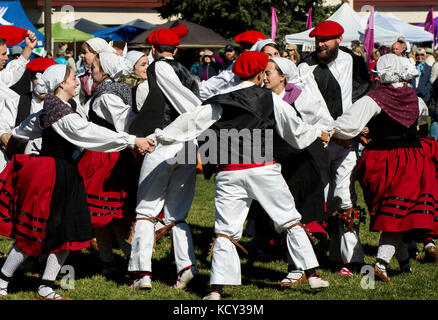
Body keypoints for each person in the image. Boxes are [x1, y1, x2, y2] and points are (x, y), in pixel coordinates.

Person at [148, 51, 331, 300]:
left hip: (229, 173)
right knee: (289, 219)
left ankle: (216, 290)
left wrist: (160, 137)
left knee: (225, 230)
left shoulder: (219, 100)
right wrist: (318, 131)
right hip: (263, 169)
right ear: (258, 74)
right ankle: (312, 275)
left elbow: (190, 122)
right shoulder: (270, 98)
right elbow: (295, 131)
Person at [0, 63, 154, 300]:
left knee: (67, 233)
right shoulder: (59, 113)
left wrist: (15, 137)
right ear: (61, 83)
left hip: (66, 176)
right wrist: (132, 140)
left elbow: (25, 128)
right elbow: (88, 132)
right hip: (51, 176)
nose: (76, 82)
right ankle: (2, 281)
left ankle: (45, 286)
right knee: (34, 233)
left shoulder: (55, 108)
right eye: (72, 78)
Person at [332, 53, 437, 281]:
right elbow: (421, 124)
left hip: (382, 161)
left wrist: (330, 132)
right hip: (412, 159)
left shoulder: (374, 98)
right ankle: (399, 264)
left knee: (395, 214)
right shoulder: (415, 98)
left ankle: (383, 264)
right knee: (400, 213)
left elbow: (347, 125)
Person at [127, 27, 201, 290]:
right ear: (177, 50)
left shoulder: (158, 68)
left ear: (154, 51)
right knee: (177, 213)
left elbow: (186, 104)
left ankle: (142, 273)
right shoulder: (188, 73)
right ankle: (186, 267)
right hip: (188, 146)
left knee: (146, 210)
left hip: (165, 141)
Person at [298, 20, 373, 276]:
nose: (320, 44)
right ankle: (327, 250)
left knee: (345, 196)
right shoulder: (305, 65)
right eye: (318, 39)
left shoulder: (355, 62)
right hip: (319, 141)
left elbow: (364, 98)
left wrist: (354, 128)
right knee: (325, 198)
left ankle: (352, 258)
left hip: (347, 142)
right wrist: (331, 132)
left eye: (326, 39)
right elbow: (306, 106)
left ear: (339, 39)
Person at [258, 57, 330, 285]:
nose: (265, 76)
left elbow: (319, 121)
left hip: (297, 165)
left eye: (269, 73)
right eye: (264, 72)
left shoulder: (298, 97)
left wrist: (320, 133)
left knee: (297, 217)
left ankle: (297, 268)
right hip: (270, 165)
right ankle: (299, 267)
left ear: (283, 77)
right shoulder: (259, 97)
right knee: (278, 219)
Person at [77, 52, 139, 278]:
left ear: (106, 71)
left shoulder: (107, 96)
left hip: (108, 159)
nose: (90, 70)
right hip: (100, 156)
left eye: (94, 67)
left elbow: (126, 123)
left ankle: (134, 263)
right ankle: (109, 262)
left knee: (113, 216)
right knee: (101, 219)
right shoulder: (103, 92)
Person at [198, 30, 267, 101]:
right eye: (242, 51)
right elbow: (206, 88)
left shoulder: (270, 68)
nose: (241, 55)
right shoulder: (234, 69)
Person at [78, 38, 116, 104]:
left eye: (85, 52)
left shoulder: (112, 77)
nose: (81, 55)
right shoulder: (83, 78)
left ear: (97, 54)